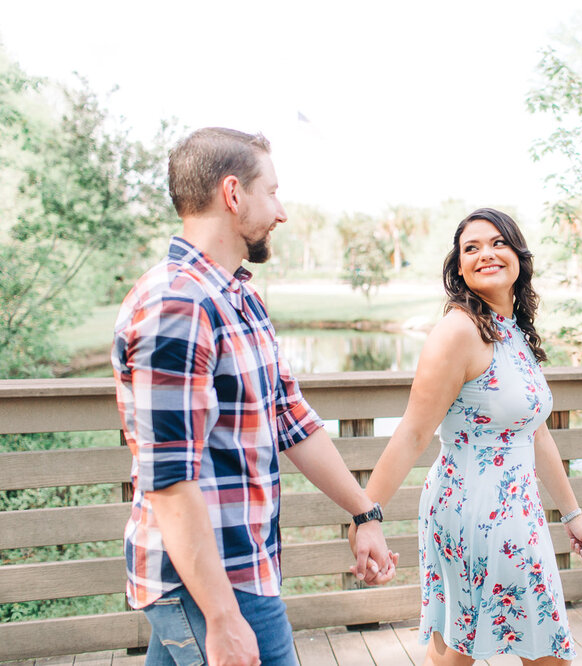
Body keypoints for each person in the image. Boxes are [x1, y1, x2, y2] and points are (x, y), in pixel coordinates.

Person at [112, 127, 396, 666]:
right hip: (212, 585)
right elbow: (170, 481)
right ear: (233, 193)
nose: (281, 212)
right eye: (273, 192)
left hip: (244, 569)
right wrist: (222, 618)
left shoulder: (238, 297)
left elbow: (290, 418)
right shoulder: (177, 306)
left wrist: (365, 515)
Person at [351, 208, 582, 665]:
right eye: (472, 248)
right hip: (472, 509)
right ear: (459, 267)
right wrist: (367, 515)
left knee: (457, 649)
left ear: (519, 256)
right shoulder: (458, 331)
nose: (486, 253)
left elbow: (535, 432)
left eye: (497, 242)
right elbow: (413, 431)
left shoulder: (511, 332)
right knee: (530, 649)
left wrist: (572, 514)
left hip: (517, 510)